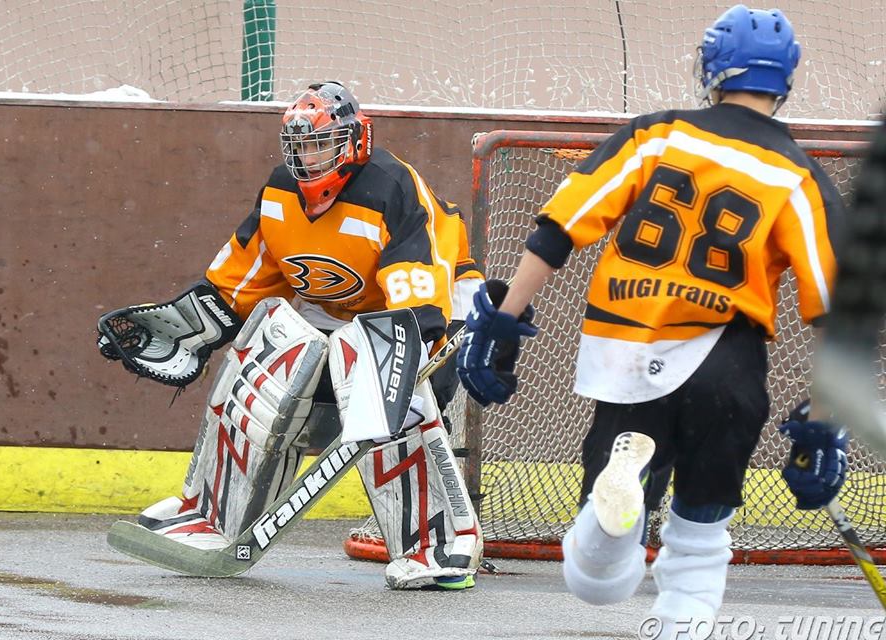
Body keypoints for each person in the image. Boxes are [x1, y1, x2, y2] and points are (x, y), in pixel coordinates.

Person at [456, 4, 848, 631]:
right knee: (700, 535)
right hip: (727, 361)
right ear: (785, 81)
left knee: (596, 581)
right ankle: (682, 619)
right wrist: (823, 423)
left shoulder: (657, 135)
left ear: (713, 68)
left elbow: (558, 230)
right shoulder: (797, 173)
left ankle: (614, 512)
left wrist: (503, 321)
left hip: (628, 349)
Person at [98, 81, 484, 590]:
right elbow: (240, 285)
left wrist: (385, 374)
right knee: (264, 349)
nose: (309, 157)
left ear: (356, 140)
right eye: (300, 146)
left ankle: (438, 542)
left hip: (442, 316)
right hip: (345, 315)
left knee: (384, 373)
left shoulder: (392, 189)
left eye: (322, 143)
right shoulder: (281, 194)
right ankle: (213, 514)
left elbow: (417, 309)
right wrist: (191, 330)